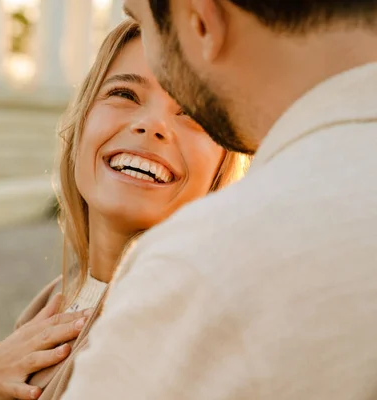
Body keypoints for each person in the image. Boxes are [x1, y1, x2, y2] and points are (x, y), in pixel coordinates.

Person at [0, 19, 249, 400]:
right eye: (124, 94)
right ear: (82, 121)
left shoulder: (188, 328)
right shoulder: (61, 294)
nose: (151, 124)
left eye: (193, 112)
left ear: (223, 163)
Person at [59, 0, 377, 399]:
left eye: (141, 19)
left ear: (200, 17)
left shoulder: (203, 266)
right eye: (124, 93)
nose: (152, 126)